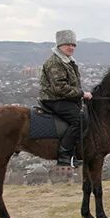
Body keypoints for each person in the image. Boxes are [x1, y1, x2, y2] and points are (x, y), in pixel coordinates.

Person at [39, 30, 93, 167]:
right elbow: (60, 88)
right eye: (67, 44)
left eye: (73, 45)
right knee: (80, 119)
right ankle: (64, 154)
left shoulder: (68, 61)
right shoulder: (55, 62)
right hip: (54, 99)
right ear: (59, 46)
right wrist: (81, 94)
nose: (71, 47)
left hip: (64, 98)